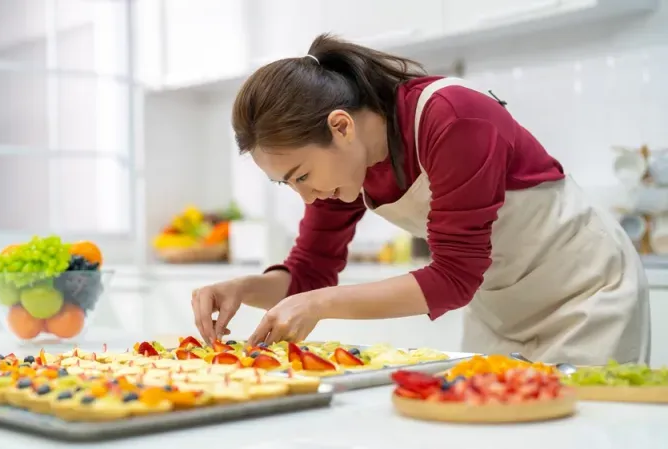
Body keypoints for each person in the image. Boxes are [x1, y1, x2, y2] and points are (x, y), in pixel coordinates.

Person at [190, 34, 650, 365]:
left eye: (302, 175)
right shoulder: (341, 171)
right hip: (500, 311)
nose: (305, 195)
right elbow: (309, 273)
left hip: (586, 293)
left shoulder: (451, 117)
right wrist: (244, 289)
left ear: (341, 126)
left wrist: (320, 304)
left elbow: (453, 277)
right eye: (287, 184)